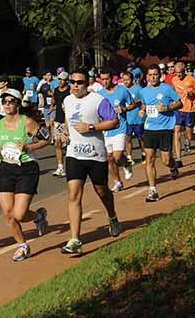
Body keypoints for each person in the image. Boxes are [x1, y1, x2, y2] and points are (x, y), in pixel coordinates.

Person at [59, 70, 121, 254]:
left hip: (95, 155)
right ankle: (75, 239)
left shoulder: (97, 100)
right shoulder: (68, 100)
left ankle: (112, 216)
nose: (75, 85)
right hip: (74, 154)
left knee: (102, 191)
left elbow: (114, 122)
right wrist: (64, 133)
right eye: (72, 82)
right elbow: (67, 121)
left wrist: (91, 127)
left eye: (80, 82)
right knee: (74, 195)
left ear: (88, 84)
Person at [0, 89, 49, 261]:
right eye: (4, 101)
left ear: (18, 104)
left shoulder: (27, 122)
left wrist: (29, 147)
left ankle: (38, 216)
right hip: (6, 168)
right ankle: (22, 245)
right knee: (8, 213)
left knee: (19, 214)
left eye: (11, 101)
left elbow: (46, 138)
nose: (7, 105)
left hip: (27, 168)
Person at [138, 64, 182, 202]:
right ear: (147, 77)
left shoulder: (167, 89)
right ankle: (153, 190)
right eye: (150, 75)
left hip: (165, 128)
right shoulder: (143, 91)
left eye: (155, 74)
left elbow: (180, 103)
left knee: (166, 160)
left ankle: (173, 166)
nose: (153, 77)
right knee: (149, 159)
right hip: (150, 128)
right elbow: (144, 104)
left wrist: (167, 107)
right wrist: (142, 110)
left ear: (160, 75)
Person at [99, 69, 136, 192]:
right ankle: (118, 182)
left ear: (112, 78)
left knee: (117, 157)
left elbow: (133, 104)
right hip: (107, 130)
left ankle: (125, 164)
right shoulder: (100, 94)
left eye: (107, 79)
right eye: (102, 79)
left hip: (120, 127)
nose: (105, 82)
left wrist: (124, 109)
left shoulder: (122, 90)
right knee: (110, 159)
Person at [171, 61, 195, 167]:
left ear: (184, 71)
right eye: (176, 72)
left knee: (188, 136)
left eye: (180, 72)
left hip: (189, 109)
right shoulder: (174, 80)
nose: (178, 75)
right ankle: (178, 159)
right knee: (177, 132)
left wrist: (192, 93)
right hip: (178, 110)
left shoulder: (191, 79)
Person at [122, 71, 146, 165]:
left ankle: (144, 153)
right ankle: (129, 157)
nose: (126, 82)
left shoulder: (138, 88)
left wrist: (138, 102)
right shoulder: (122, 90)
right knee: (127, 138)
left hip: (137, 117)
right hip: (127, 118)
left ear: (132, 80)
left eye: (127, 80)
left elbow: (144, 100)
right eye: (124, 80)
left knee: (140, 138)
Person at [52, 72, 71, 177]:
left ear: (66, 80)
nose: (60, 81)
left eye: (62, 79)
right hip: (58, 120)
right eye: (59, 79)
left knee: (68, 145)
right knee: (57, 143)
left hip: (67, 121)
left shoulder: (70, 91)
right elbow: (54, 102)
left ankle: (70, 167)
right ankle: (60, 167)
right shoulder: (55, 90)